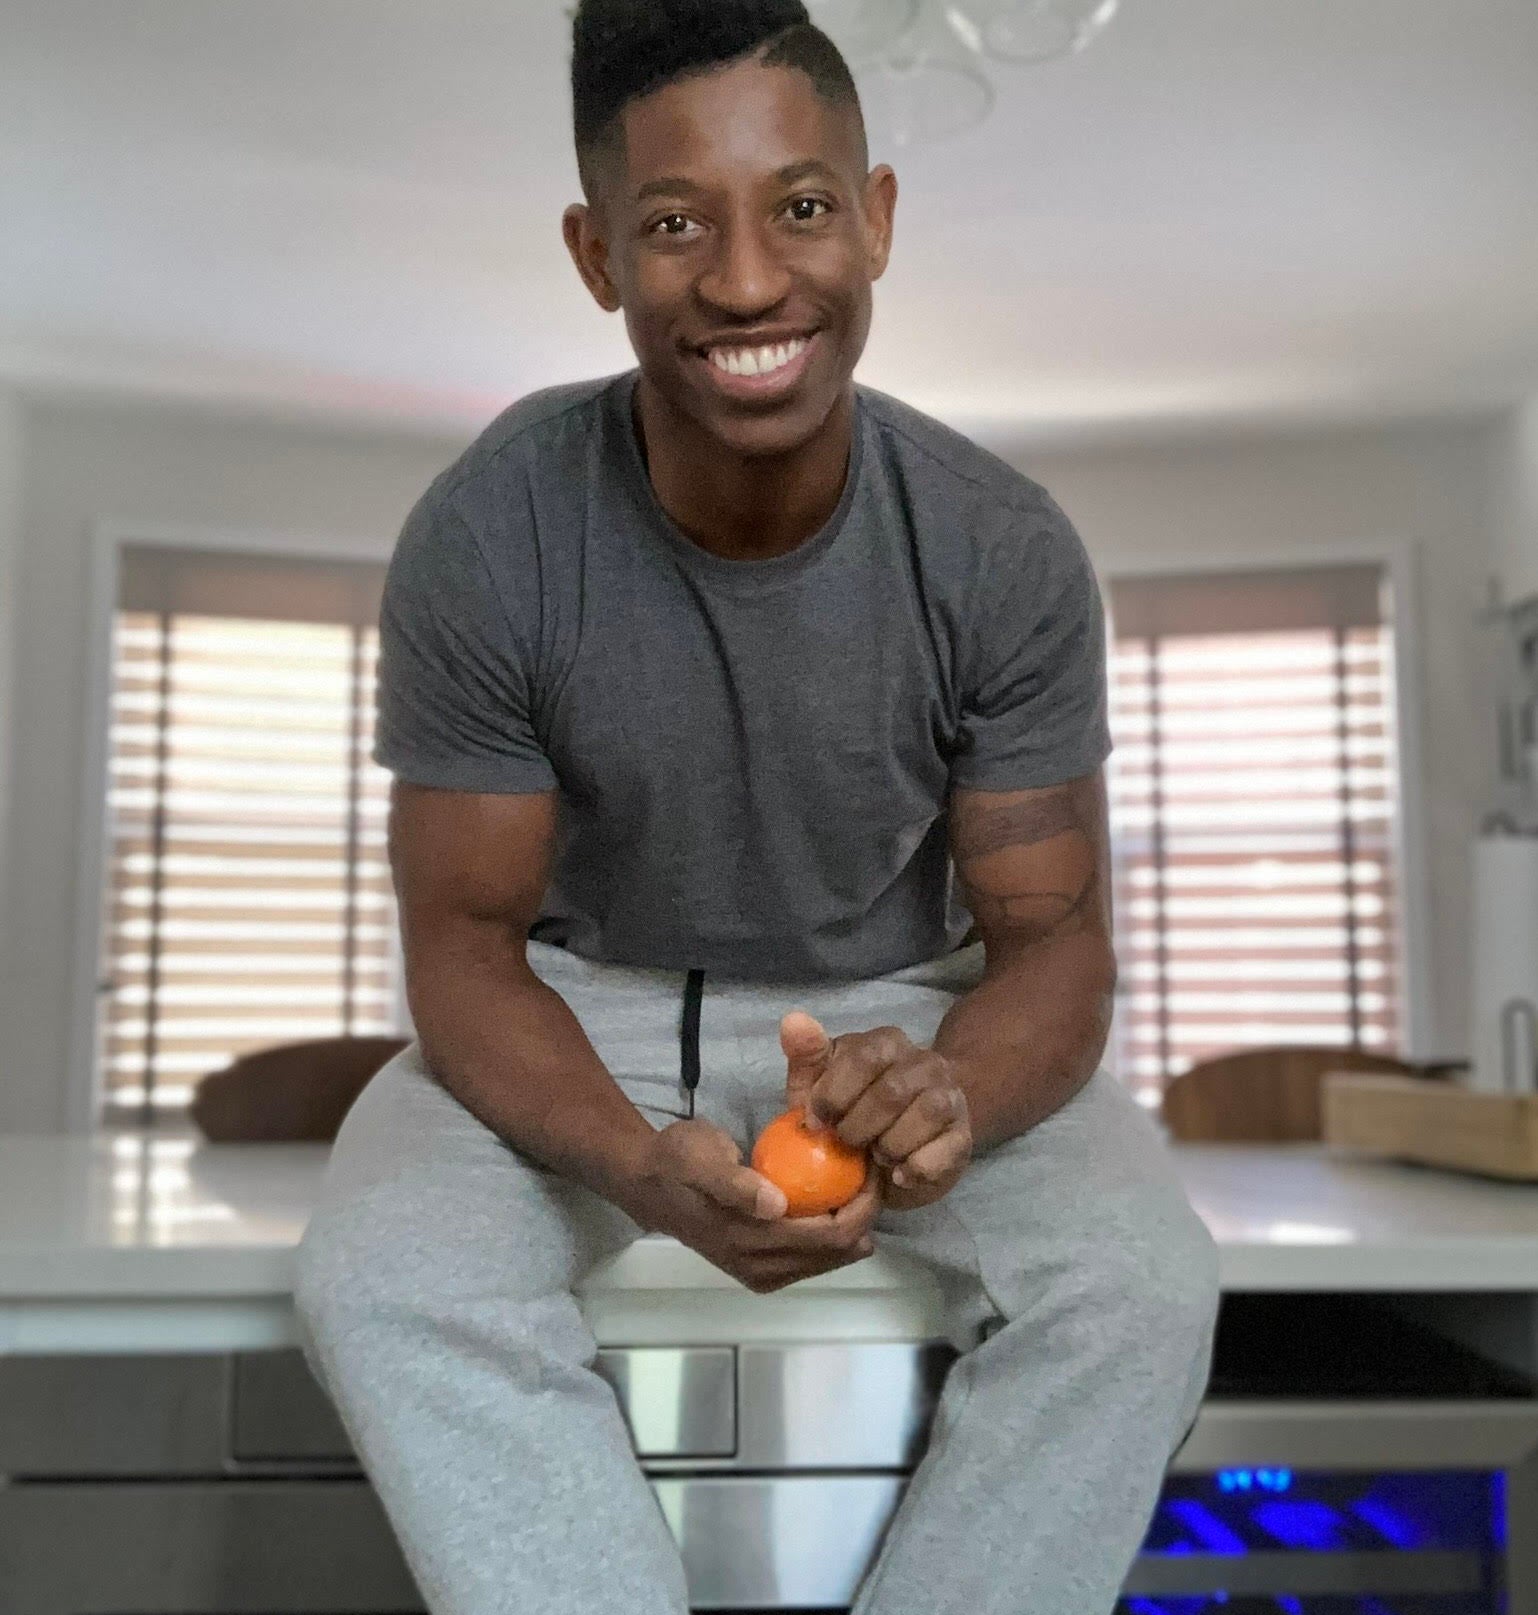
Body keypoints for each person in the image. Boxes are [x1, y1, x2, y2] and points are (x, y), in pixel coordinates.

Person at [293, 2, 1220, 1611]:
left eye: (798, 206)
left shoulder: (999, 548)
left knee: (1140, 1286)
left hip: (904, 1018)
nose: (741, 281)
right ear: (596, 256)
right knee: (382, 1278)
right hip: (573, 1002)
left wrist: (948, 1094)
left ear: (873, 220)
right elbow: (460, 941)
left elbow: (1053, 941)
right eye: (673, 225)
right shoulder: (492, 529)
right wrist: (635, 1162)